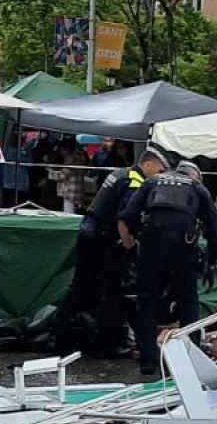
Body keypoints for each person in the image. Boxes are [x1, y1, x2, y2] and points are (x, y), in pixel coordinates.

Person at [56, 147, 167, 357]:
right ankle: (106, 344)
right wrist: (130, 245)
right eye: (159, 171)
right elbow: (124, 218)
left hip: (90, 232)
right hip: (103, 239)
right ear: (148, 164)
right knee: (112, 291)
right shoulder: (135, 181)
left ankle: (61, 336)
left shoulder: (120, 173)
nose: (160, 176)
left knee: (82, 287)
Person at [119, 158, 217, 376]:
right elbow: (214, 231)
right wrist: (211, 262)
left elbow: (128, 215)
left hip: (151, 248)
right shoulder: (197, 188)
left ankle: (148, 361)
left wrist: (138, 240)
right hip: (183, 249)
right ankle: (190, 358)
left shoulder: (153, 181)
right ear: (195, 175)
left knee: (146, 302)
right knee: (188, 302)